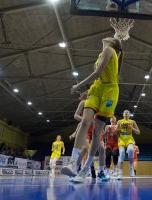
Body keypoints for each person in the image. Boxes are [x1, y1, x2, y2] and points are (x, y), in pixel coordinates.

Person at [63, 37, 123, 183]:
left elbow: (97, 73)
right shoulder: (101, 54)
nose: (107, 36)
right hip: (96, 90)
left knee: (97, 132)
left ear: (113, 43)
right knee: (84, 122)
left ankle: (86, 170)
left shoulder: (110, 50)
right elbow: (98, 78)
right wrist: (88, 93)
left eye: (111, 36)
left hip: (110, 91)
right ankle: (73, 163)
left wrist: (78, 86)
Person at [115, 110, 140, 180]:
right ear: (123, 114)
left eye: (127, 112)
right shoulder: (119, 121)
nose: (126, 113)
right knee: (122, 153)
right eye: (124, 112)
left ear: (129, 114)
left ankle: (131, 168)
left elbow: (138, 132)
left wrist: (131, 128)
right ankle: (120, 173)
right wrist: (117, 131)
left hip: (129, 139)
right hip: (121, 139)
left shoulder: (132, 122)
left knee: (130, 150)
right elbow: (115, 133)